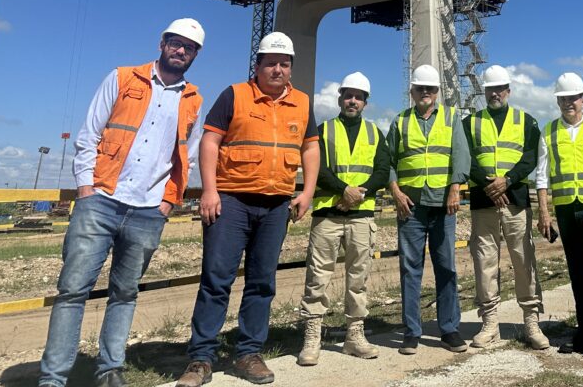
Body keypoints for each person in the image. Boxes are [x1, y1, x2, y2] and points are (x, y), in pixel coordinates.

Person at [39, 19, 205, 387]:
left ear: (195, 55)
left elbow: (188, 158)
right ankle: (53, 378)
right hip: (101, 200)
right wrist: (86, 189)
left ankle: (110, 369)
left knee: (125, 293)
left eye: (189, 47)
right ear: (162, 43)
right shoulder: (122, 78)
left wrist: (168, 203)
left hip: (149, 210)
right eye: (175, 43)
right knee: (73, 290)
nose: (181, 50)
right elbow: (89, 135)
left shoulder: (193, 99)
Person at [176, 32, 319, 387]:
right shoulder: (235, 95)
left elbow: (310, 148)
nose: (277, 69)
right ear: (257, 66)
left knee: (262, 282)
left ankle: (249, 353)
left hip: (276, 204)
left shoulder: (302, 103)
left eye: (284, 64)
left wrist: (307, 192)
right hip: (232, 201)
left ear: (291, 68)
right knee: (216, 279)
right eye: (270, 63)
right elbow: (210, 141)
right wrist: (210, 190)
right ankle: (201, 358)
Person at [297, 71, 390, 364]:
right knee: (317, 276)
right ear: (340, 99)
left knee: (358, 278)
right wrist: (344, 190)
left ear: (365, 102)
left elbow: (382, 170)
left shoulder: (375, 133)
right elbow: (317, 168)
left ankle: (354, 336)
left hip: (361, 215)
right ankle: (312, 337)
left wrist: (359, 194)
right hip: (328, 213)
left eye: (358, 97)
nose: (353, 101)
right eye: (348, 96)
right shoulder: (323, 131)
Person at [464, 65, 549, 350]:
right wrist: (489, 185)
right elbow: (465, 159)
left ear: (508, 91)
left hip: (516, 202)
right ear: (484, 91)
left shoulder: (526, 121)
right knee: (485, 262)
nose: (495, 93)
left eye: (500, 89)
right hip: (483, 202)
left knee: (524, 260)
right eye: (490, 89)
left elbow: (530, 158)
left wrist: (507, 181)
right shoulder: (470, 122)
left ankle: (531, 323)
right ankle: (490, 324)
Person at [388, 64, 469, 356]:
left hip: (443, 204)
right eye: (420, 88)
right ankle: (412, 332)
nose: (425, 92)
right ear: (412, 91)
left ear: (437, 92)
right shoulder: (400, 121)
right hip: (410, 207)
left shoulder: (451, 117)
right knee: (410, 269)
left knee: (446, 267)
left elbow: (461, 155)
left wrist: (455, 188)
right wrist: (395, 192)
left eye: (430, 89)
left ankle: (449, 329)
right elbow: (389, 161)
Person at [536, 72, 583, 364]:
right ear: (558, 101)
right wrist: (544, 212)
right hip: (567, 210)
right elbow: (542, 175)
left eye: (573, 98)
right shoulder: (549, 131)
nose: (569, 102)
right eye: (563, 98)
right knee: (578, 273)